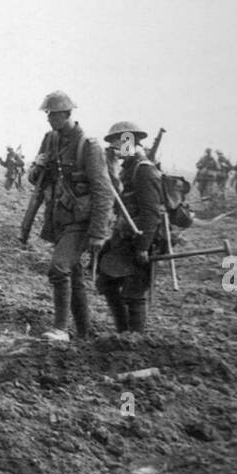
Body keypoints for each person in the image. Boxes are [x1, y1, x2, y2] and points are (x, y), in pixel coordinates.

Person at [24, 90, 112, 342]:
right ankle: (84, 335)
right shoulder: (50, 140)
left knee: (58, 269)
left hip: (81, 222)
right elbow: (35, 180)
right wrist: (37, 166)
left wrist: (98, 232)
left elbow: (103, 191)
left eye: (54, 114)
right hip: (59, 218)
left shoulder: (89, 146)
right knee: (73, 276)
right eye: (48, 114)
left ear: (68, 114)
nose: (49, 118)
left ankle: (60, 329)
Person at [95, 122, 163, 333]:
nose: (116, 146)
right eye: (115, 141)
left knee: (134, 292)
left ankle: (135, 340)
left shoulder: (144, 170)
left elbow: (151, 213)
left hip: (141, 241)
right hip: (124, 238)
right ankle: (124, 333)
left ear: (131, 141)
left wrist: (143, 246)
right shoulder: (128, 169)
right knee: (106, 282)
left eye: (121, 141)